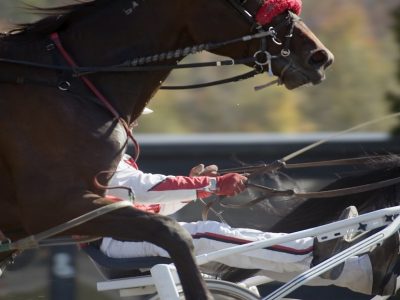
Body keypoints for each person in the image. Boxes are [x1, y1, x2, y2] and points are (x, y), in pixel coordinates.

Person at [99, 108, 399, 296]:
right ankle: (313, 249)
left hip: (133, 237)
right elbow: (143, 187)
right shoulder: (101, 156)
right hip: (118, 242)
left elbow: (150, 203)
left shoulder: (112, 157)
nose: (134, 125)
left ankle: (361, 274)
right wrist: (211, 184)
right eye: (130, 119)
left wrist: (199, 188)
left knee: (258, 259)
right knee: (205, 233)